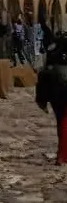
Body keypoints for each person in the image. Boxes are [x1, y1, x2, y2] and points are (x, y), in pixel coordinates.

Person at [35, 33, 67, 166]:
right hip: (62, 86)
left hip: (54, 89)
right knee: (64, 121)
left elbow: (44, 74)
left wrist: (42, 100)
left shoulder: (55, 46)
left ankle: (62, 154)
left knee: (61, 121)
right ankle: (61, 155)